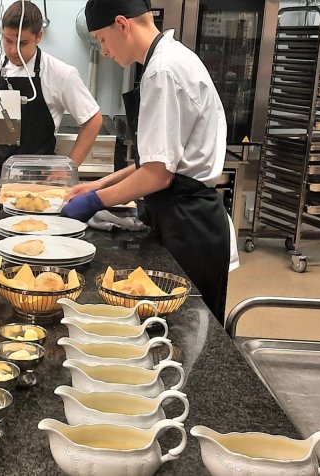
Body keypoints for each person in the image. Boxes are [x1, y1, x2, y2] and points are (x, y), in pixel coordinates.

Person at [63, 0, 239, 322]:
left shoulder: (162, 71)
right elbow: (158, 158)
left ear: (122, 24)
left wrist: (94, 202)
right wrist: (97, 185)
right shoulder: (171, 58)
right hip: (187, 218)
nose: (104, 51)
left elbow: (158, 175)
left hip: (188, 227)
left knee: (185, 331)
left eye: (102, 39)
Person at [0, 0, 102, 174]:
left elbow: (93, 120)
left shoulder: (60, 73)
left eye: (22, 43)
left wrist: (67, 168)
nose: (13, 50)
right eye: (8, 41)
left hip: (37, 178)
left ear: (39, 36)